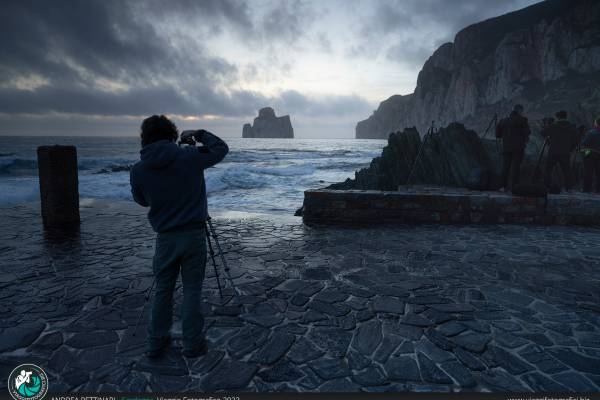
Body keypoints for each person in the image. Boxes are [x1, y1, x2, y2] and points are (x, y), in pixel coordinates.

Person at [130, 115, 229, 358]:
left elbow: (141, 200)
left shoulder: (139, 169)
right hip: (193, 234)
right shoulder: (189, 157)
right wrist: (199, 133)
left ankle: (155, 343)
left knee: (163, 290)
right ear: (172, 135)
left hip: (165, 237)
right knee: (192, 290)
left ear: (145, 138)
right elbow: (221, 149)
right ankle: (192, 344)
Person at [541, 110, 579, 192]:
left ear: (557, 117)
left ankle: (546, 186)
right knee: (566, 171)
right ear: (566, 117)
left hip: (553, 151)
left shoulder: (553, 126)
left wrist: (546, 125)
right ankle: (569, 188)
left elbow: (543, 133)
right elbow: (576, 140)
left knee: (548, 170)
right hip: (565, 152)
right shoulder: (572, 127)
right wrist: (569, 149)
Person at [496, 104, 531, 192]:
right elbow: (527, 132)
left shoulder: (503, 121)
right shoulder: (522, 120)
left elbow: (498, 135)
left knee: (505, 167)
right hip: (518, 148)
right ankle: (514, 187)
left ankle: (502, 187)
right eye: (522, 111)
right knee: (515, 167)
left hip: (506, 147)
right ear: (519, 111)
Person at [581, 117, 600, 193]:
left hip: (590, 155)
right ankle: (598, 189)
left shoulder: (591, 133)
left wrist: (586, 153)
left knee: (588, 173)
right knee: (598, 174)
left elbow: (584, 144)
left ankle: (586, 189)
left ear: (596, 123)